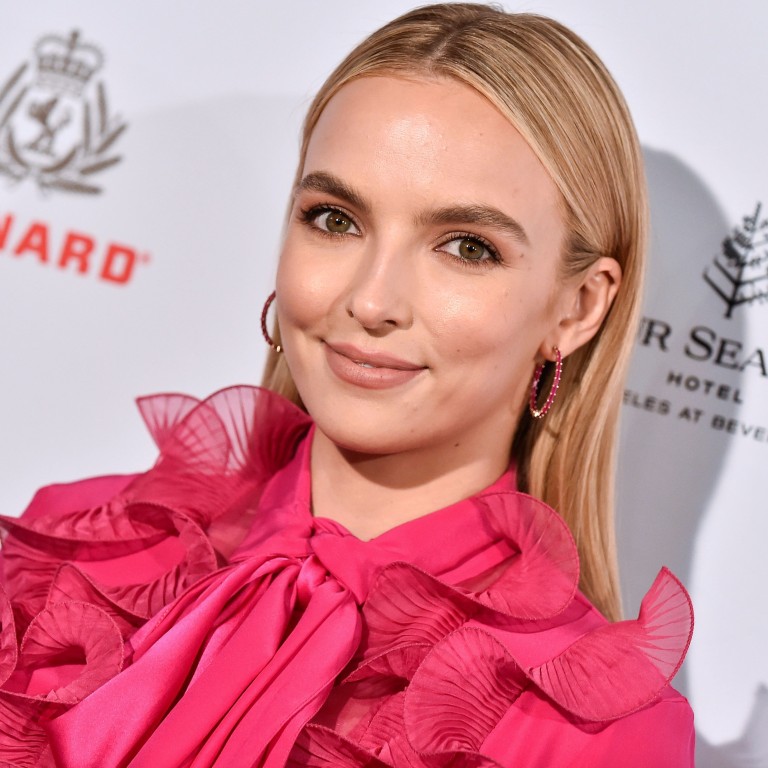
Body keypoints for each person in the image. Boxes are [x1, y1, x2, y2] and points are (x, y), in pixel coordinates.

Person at [0, 4, 694, 766]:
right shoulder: (68, 550)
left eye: (466, 247)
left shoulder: (597, 735)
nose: (371, 300)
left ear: (578, 307)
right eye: (335, 220)